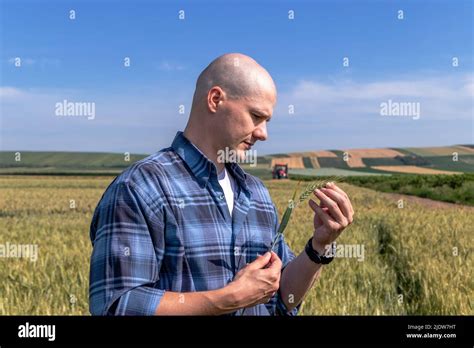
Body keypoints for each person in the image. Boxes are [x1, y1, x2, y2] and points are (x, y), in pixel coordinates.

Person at [89, 53, 354, 315]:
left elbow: (282, 299)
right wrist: (230, 299)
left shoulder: (256, 193)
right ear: (215, 100)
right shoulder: (141, 187)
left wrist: (319, 246)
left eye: (267, 121)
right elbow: (116, 306)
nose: (263, 134)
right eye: (256, 116)